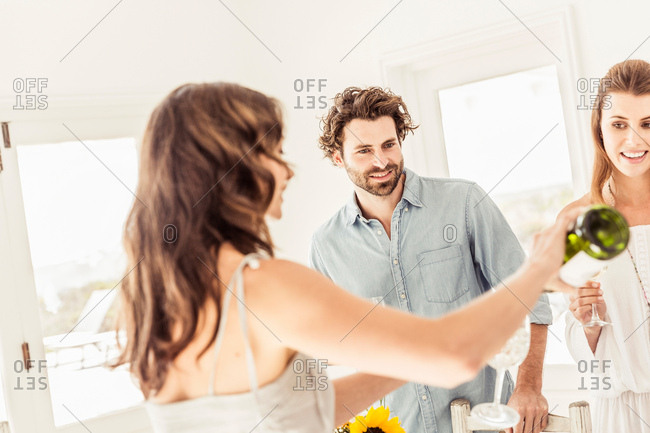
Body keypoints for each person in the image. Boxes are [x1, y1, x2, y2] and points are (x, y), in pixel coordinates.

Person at [114, 82, 576, 433]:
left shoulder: (152, 299)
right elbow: (452, 356)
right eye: (273, 153)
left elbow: (304, 409)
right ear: (233, 169)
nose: (287, 169)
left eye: (389, 144)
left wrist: (403, 359)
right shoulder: (266, 284)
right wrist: (540, 266)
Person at [310, 86, 553, 433]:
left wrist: (529, 386)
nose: (381, 161)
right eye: (364, 150)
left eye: (388, 144)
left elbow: (528, 297)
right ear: (338, 157)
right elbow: (327, 345)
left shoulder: (464, 203)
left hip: (485, 424)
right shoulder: (326, 245)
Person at [562, 59, 650, 433]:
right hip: (623, 414)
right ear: (599, 130)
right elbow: (579, 347)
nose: (634, 140)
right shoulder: (577, 220)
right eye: (619, 125)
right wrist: (587, 323)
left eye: (647, 124)